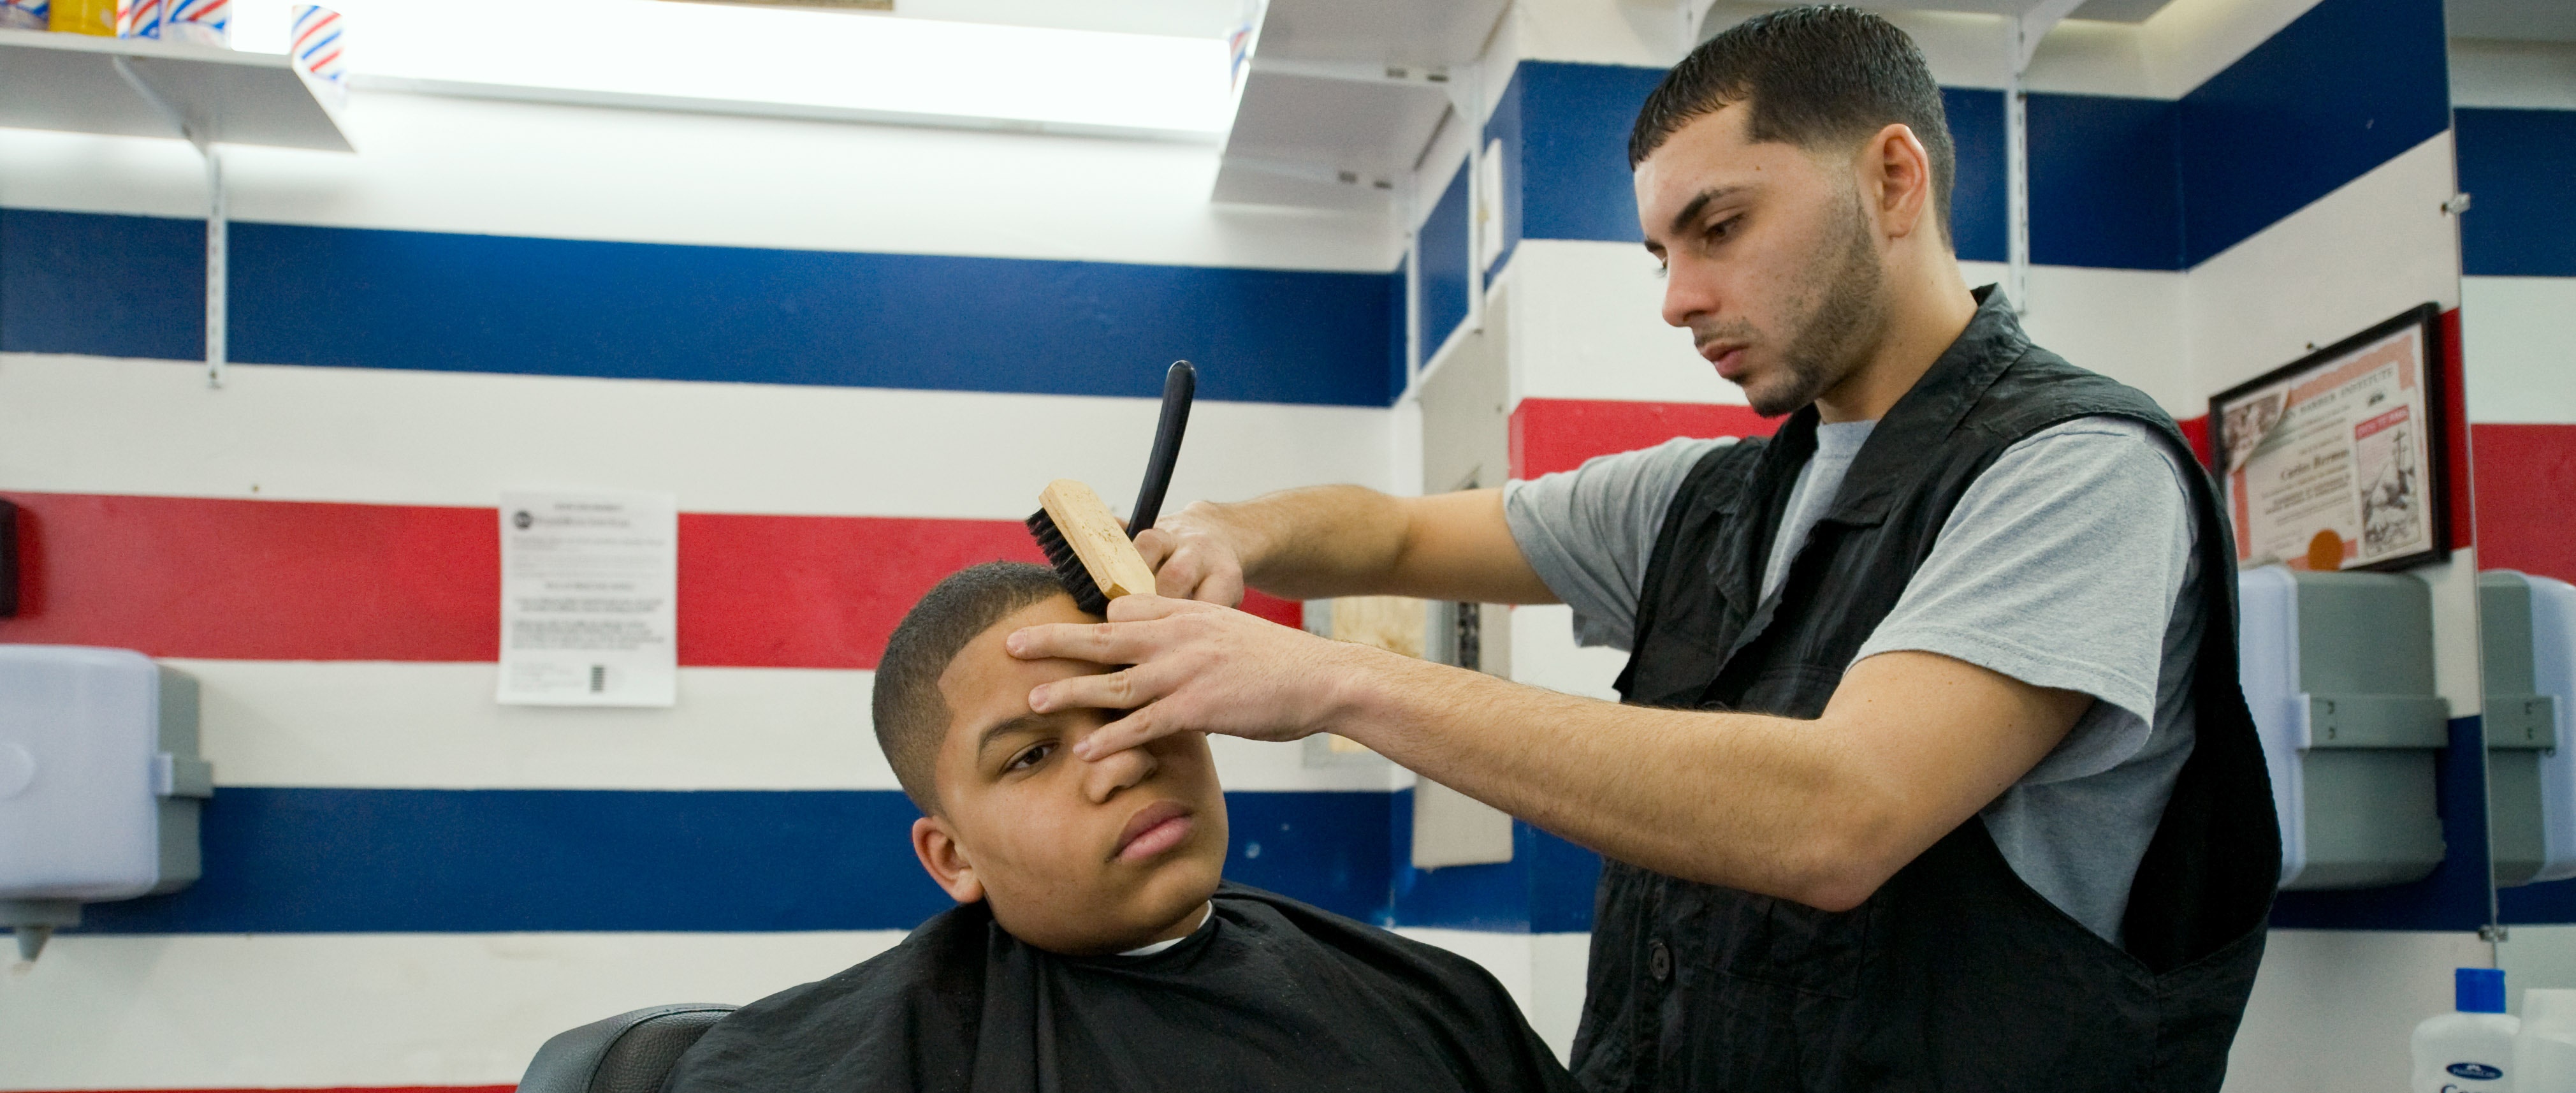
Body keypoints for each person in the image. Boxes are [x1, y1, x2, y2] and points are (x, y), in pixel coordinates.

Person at [1001, 7, 2280, 1090]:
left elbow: (1839, 815)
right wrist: (1238, 529)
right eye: (1661, 251)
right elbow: (1391, 529)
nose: (1675, 297)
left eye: (1717, 227)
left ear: (1893, 179)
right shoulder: (1701, 499)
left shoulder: (2075, 470)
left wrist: (1336, 681)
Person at [662, 561, 1577, 1093]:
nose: (1125, 757)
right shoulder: (833, 1065)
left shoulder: (1438, 1001)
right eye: (1030, 755)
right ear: (953, 857)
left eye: (1135, 701)